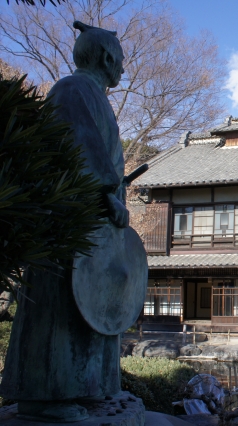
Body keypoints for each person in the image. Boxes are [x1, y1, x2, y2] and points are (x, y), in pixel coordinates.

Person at [0, 22, 136, 423]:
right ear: (108, 58)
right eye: (122, 60)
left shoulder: (90, 94)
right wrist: (105, 194)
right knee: (61, 308)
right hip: (71, 225)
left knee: (88, 307)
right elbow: (78, 150)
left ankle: (84, 388)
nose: (124, 69)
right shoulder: (72, 90)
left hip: (92, 227)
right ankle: (47, 397)